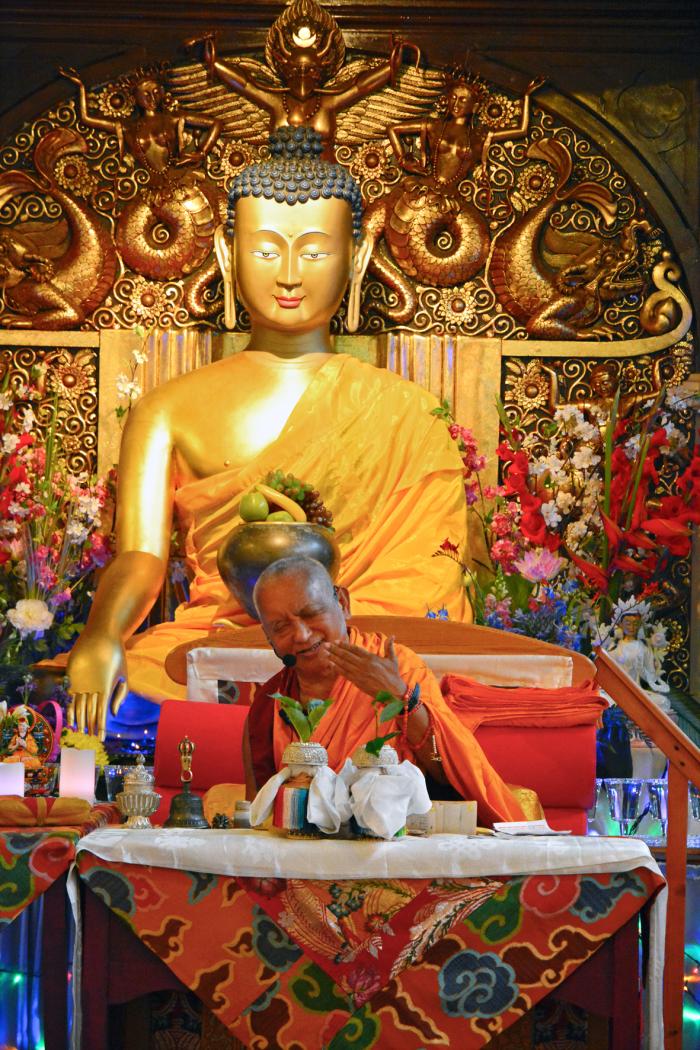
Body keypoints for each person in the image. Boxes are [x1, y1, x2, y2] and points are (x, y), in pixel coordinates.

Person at [66, 126, 469, 739]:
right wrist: (101, 635)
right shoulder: (167, 409)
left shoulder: (406, 412)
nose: (288, 274)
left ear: (355, 258)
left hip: (359, 648)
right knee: (131, 695)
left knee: (445, 685)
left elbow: (426, 581)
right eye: (264, 250)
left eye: (312, 251)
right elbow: (141, 557)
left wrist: (338, 639)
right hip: (222, 639)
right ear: (228, 257)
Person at [245, 556, 528, 827]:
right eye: (281, 627)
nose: (302, 635)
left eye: (311, 614)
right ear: (269, 637)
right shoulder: (269, 704)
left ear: (342, 603)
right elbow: (256, 816)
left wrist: (399, 697)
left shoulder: (399, 670)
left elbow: (448, 774)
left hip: (394, 852)